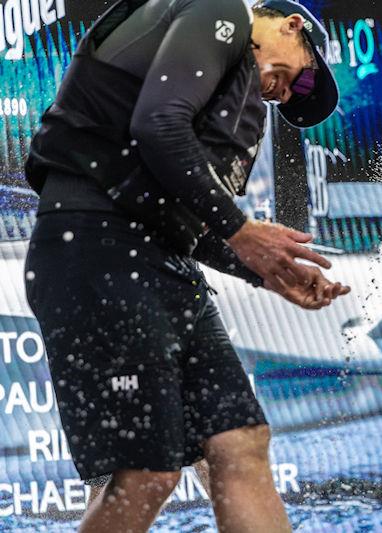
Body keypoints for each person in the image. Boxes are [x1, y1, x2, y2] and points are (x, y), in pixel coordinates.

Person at [23, 0, 349, 531]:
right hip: (93, 247)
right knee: (144, 475)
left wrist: (269, 271)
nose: (285, 95)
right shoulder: (216, 11)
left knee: (240, 443)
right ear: (291, 25)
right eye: (303, 81)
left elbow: (186, 220)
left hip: (163, 261)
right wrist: (244, 234)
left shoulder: (235, 97)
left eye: (296, 98)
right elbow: (157, 125)